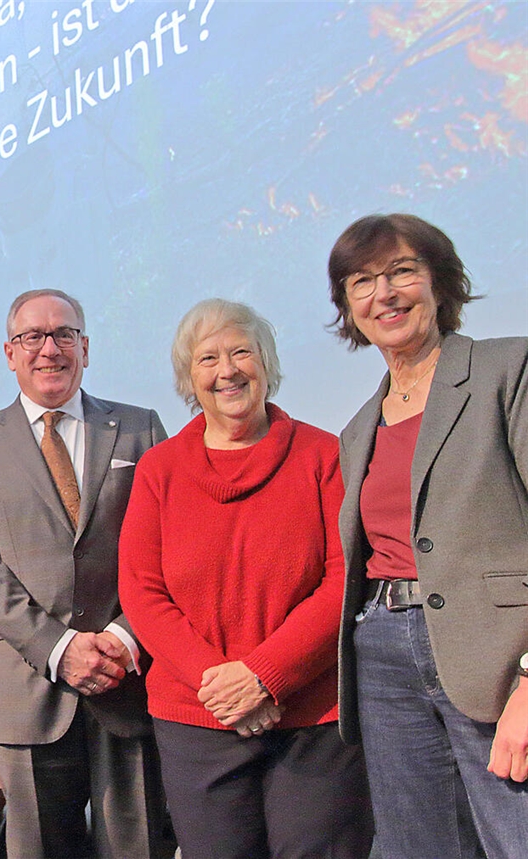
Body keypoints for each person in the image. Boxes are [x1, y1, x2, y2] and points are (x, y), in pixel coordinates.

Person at [117, 298, 373, 859]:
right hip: (196, 717)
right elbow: (142, 590)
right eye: (208, 359)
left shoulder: (323, 455)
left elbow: (344, 578)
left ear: (267, 363)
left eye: (241, 352)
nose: (227, 370)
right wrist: (221, 683)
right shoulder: (159, 468)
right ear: (190, 378)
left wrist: (265, 676)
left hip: (312, 720)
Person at [328, 213, 528, 858]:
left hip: (497, 657)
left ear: (440, 283)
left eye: (402, 272)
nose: (383, 294)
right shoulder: (358, 428)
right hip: (382, 652)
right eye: (361, 281)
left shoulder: (509, 370)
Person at [0, 288, 168, 859]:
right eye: (32, 337)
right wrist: (59, 646)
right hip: (29, 686)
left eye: (63, 335)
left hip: (130, 677)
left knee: (138, 847)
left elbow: (169, 547)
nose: (50, 349)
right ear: (9, 353)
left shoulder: (141, 429)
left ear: (86, 347)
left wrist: (124, 634)